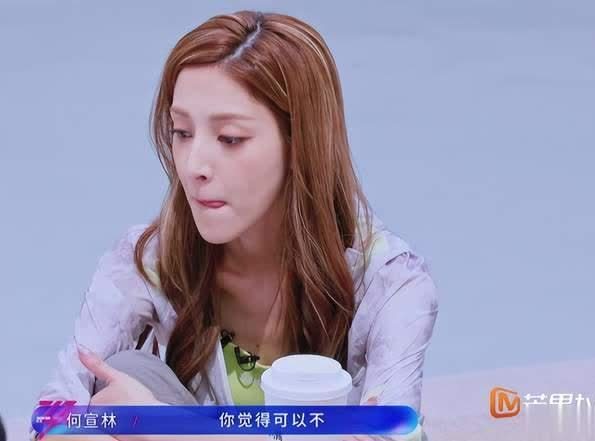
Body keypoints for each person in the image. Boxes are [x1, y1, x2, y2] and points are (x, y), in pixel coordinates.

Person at [33, 10, 439, 441]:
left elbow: (394, 433)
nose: (194, 166)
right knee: (126, 376)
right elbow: (52, 416)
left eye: (230, 138)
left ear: (300, 143)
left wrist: (171, 431)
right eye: (182, 132)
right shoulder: (147, 259)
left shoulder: (391, 281)